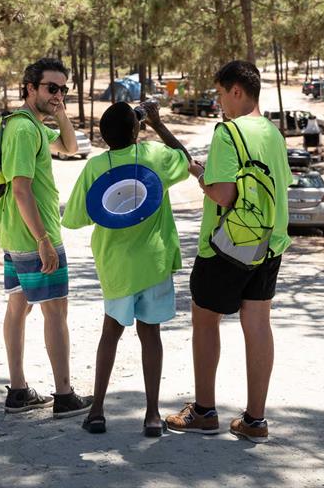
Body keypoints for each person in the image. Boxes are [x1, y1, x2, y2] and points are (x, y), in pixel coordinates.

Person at [166, 60, 291, 441]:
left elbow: (222, 193)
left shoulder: (228, 133)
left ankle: (204, 411)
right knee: (257, 323)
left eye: (221, 93)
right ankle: (255, 420)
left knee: (205, 321)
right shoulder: (273, 132)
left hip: (225, 246)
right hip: (269, 243)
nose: (219, 102)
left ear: (237, 90)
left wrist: (200, 174)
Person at [62, 101, 198, 437]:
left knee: (111, 333)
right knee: (150, 334)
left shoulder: (95, 167)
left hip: (116, 266)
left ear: (104, 136)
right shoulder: (153, 155)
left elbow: (75, 218)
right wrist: (159, 123)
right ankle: (152, 416)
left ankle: (96, 411)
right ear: (137, 130)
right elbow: (186, 159)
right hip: (153, 261)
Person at [0, 57, 92, 419]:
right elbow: (21, 189)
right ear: (30, 88)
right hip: (34, 234)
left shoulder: (33, 126)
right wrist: (42, 239)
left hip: (15, 232)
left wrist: (61, 111)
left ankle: (19, 392)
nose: (58, 94)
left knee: (18, 307)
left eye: (63, 89)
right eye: (51, 88)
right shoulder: (23, 130)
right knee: (56, 309)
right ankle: (64, 395)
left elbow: (70, 147)